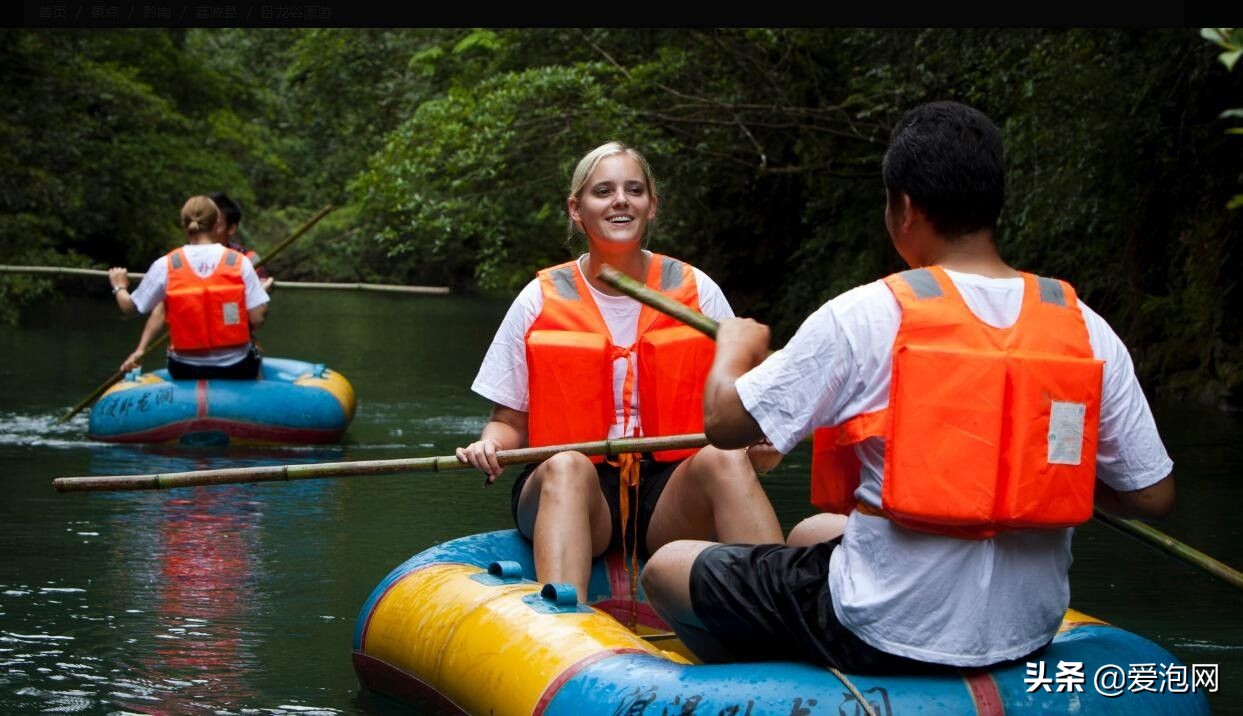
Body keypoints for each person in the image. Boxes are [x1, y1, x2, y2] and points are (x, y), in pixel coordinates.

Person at [640, 101, 1176, 673]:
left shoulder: (867, 314)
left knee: (667, 568)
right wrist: (1036, 477)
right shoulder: (1083, 325)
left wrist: (732, 352)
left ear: (905, 208)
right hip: (1026, 631)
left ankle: (786, 678)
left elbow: (723, 424)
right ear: (995, 205)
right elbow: (1153, 495)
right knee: (812, 531)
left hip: (880, 630)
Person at [456, 141, 783, 600]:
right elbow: (508, 421)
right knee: (567, 465)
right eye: (603, 191)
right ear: (577, 208)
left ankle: (783, 608)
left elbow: (745, 407)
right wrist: (490, 446)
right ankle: (563, 633)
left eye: (634, 190)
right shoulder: (538, 298)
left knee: (723, 456)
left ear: (652, 206)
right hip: (571, 489)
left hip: (668, 494)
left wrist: (762, 445)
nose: (620, 201)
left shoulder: (696, 290)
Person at [109, 195, 270, 380]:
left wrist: (119, 286)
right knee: (254, 354)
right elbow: (257, 319)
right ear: (216, 221)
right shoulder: (239, 262)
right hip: (236, 366)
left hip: (184, 368)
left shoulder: (166, 264)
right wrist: (260, 293)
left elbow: (130, 308)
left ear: (184, 225)